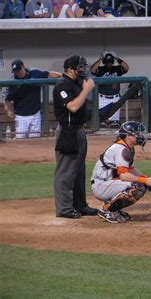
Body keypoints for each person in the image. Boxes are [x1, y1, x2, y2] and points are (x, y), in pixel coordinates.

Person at [52, 55, 98, 219]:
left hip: (78, 131)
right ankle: (64, 209)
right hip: (67, 132)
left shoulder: (73, 83)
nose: (83, 70)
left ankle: (80, 205)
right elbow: (72, 106)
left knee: (78, 171)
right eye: (80, 68)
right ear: (71, 69)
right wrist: (86, 90)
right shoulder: (62, 86)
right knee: (66, 172)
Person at [91, 121, 151, 223]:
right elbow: (123, 175)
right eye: (137, 134)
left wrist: (148, 179)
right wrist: (144, 181)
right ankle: (107, 210)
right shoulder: (121, 150)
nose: (140, 136)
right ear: (128, 136)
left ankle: (114, 208)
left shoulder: (128, 148)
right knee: (137, 187)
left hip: (108, 182)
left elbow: (131, 169)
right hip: (101, 185)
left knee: (140, 184)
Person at [4, 59, 61, 138]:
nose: (17, 73)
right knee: (20, 141)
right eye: (15, 72)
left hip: (35, 114)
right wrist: (9, 110)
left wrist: (63, 76)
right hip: (21, 116)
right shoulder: (13, 82)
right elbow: (7, 99)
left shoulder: (34, 73)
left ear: (23, 67)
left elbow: (49, 74)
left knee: (35, 140)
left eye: (19, 70)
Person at [90, 51, 130, 127]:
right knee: (102, 123)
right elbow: (92, 70)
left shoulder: (117, 69)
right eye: (107, 62)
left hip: (115, 98)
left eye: (110, 62)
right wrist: (101, 58)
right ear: (104, 62)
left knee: (114, 124)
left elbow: (126, 68)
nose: (109, 64)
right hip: (102, 98)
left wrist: (117, 58)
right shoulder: (101, 69)